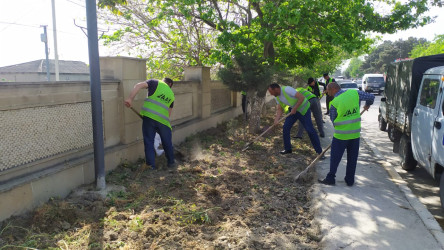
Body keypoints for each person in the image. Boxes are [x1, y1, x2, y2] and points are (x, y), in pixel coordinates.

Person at [318, 82, 375, 186]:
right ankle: (350, 180)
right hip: (355, 134)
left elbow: (334, 121)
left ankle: (330, 178)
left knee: (335, 157)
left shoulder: (334, 103)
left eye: (328, 90)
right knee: (352, 158)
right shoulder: (354, 93)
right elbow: (371, 97)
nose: (327, 92)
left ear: (333, 89)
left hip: (341, 136)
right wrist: (367, 104)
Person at [124, 78, 176, 170]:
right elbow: (168, 114)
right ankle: (171, 163)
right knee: (167, 142)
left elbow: (138, 85)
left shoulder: (155, 82)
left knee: (149, 142)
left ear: (164, 81)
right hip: (163, 121)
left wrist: (130, 99)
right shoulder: (172, 95)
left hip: (149, 118)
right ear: (170, 84)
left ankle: (150, 166)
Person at [267, 83, 323, 156]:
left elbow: (301, 97)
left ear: (276, 89)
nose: (271, 94)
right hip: (293, 111)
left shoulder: (287, 89)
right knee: (286, 128)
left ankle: (319, 152)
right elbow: (280, 109)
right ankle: (288, 149)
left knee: (309, 130)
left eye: (271, 92)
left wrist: (295, 108)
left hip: (303, 110)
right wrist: (276, 120)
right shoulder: (277, 97)